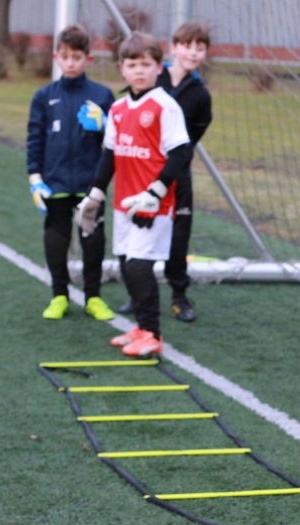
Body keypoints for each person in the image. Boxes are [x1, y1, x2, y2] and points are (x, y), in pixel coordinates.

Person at [74, 33, 191, 357]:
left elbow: (180, 155)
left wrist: (155, 192)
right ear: (121, 69)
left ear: (159, 68)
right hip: (122, 203)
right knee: (127, 265)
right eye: (132, 64)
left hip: (154, 204)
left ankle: (152, 333)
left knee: (139, 267)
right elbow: (109, 155)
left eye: (146, 64)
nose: (139, 71)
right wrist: (95, 195)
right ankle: (140, 326)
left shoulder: (166, 106)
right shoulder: (118, 108)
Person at [116, 22, 213, 323]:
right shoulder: (153, 78)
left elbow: (186, 144)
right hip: (139, 175)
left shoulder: (200, 95)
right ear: (173, 47)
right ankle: (136, 294)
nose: (193, 53)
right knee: (129, 231)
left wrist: (167, 176)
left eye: (200, 48)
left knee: (179, 236)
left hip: (175, 178)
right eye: (187, 45)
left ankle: (179, 296)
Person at [26, 24, 116, 322]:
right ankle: (59, 295)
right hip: (56, 184)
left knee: (92, 241)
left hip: (91, 186)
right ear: (56, 57)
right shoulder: (44, 96)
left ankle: (93, 297)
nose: (71, 63)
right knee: (56, 240)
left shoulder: (102, 96)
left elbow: (116, 143)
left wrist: (104, 126)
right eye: (65, 57)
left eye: (77, 57)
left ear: (88, 59)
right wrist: (35, 177)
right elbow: (35, 138)